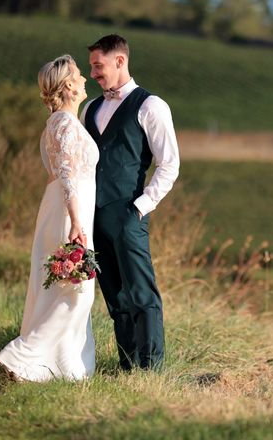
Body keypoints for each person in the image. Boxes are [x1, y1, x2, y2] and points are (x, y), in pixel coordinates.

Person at [0, 55, 99, 382]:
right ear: (68, 85)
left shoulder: (54, 123)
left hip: (60, 206)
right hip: (71, 209)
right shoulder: (65, 124)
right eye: (80, 75)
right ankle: (22, 355)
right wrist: (77, 223)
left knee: (65, 288)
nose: (85, 79)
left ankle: (61, 368)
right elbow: (67, 174)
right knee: (76, 289)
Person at [81, 34, 179, 370]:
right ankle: (127, 366)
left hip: (128, 215)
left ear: (120, 60)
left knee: (142, 293)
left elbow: (169, 165)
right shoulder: (89, 108)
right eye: (92, 65)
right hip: (93, 216)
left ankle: (151, 368)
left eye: (98, 65)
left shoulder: (152, 106)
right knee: (115, 296)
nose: (92, 72)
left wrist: (139, 207)